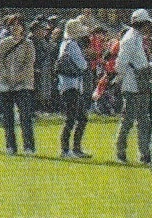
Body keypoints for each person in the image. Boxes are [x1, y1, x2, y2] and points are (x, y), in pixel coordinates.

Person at [115, 9, 152, 165]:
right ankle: (120, 151)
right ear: (141, 23)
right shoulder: (130, 39)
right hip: (132, 84)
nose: (148, 26)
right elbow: (121, 63)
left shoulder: (139, 38)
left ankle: (145, 153)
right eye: (146, 23)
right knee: (128, 120)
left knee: (144, 120)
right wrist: (120, 80)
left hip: (142, 82)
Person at [0, 14, 36, 155]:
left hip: (23, 85)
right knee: (7, 117)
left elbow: (29, 64)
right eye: (12, 25)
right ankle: (10, 145)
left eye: (18, 25)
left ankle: (28, 146)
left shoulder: (28, 44)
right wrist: (6, 76)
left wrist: (18, 78)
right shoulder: (4, 43)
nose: (15, 28)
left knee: (25, 116)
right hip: (5, 84)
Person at [56, 18, 91, 159]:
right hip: (73, 85)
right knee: (77, 118)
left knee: (74, 117)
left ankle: (70, 149)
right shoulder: (73, 45)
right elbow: (82, 65)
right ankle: (69, 149)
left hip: (65, 85)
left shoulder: (64, 44)